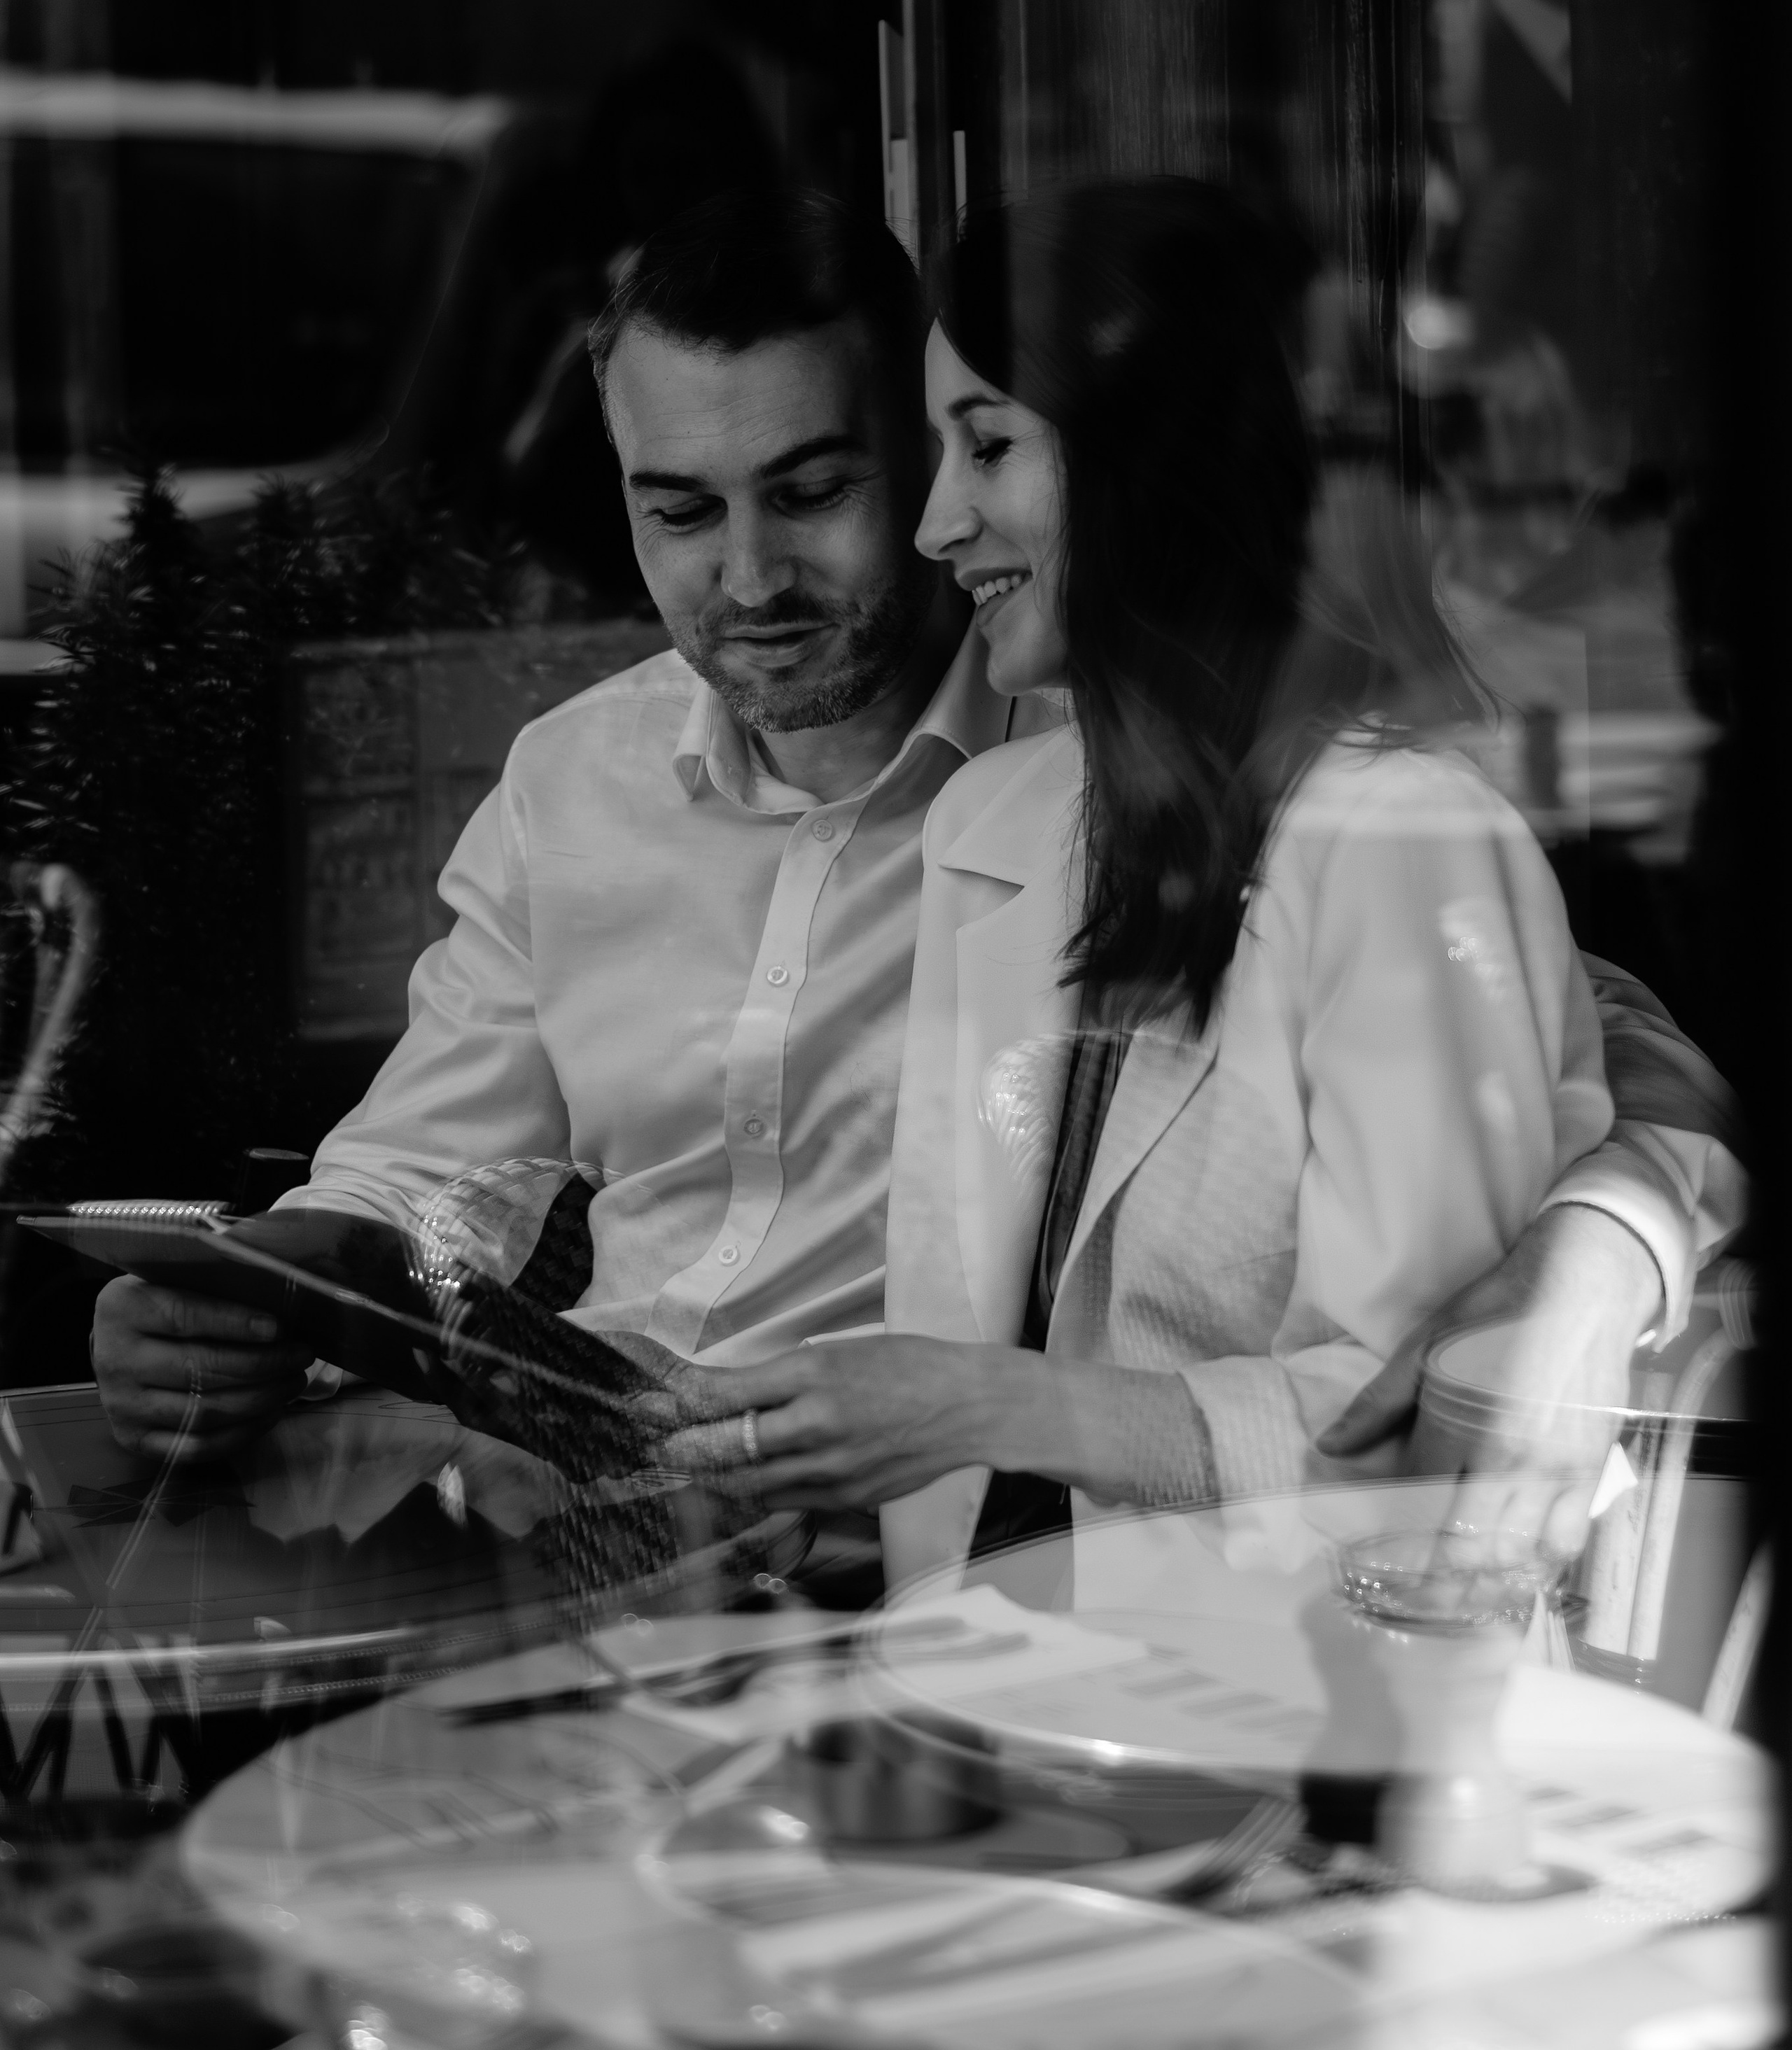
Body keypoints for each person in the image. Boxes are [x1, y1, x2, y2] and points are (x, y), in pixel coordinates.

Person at [91, 189, 1737, 1528]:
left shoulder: (1119, 760)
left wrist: (1606, 1250)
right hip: (606, 1522)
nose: (749, 577)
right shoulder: (583, 779)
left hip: (958, 1574)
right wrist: (241, 1306)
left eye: (815, 489)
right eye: (678, 512)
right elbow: (414, 1181)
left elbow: (1570, 1040)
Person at [652, 184, 1741, 1581]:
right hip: (1001, 1658)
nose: (935, 523)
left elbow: (1409, 1440)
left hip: (1295, 1677)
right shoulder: (994, 823)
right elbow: (1014, 1359)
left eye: (989, 445)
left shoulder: (1399, 838)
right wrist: (838, 1493)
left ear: (1149, 458)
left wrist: (978, 1411)